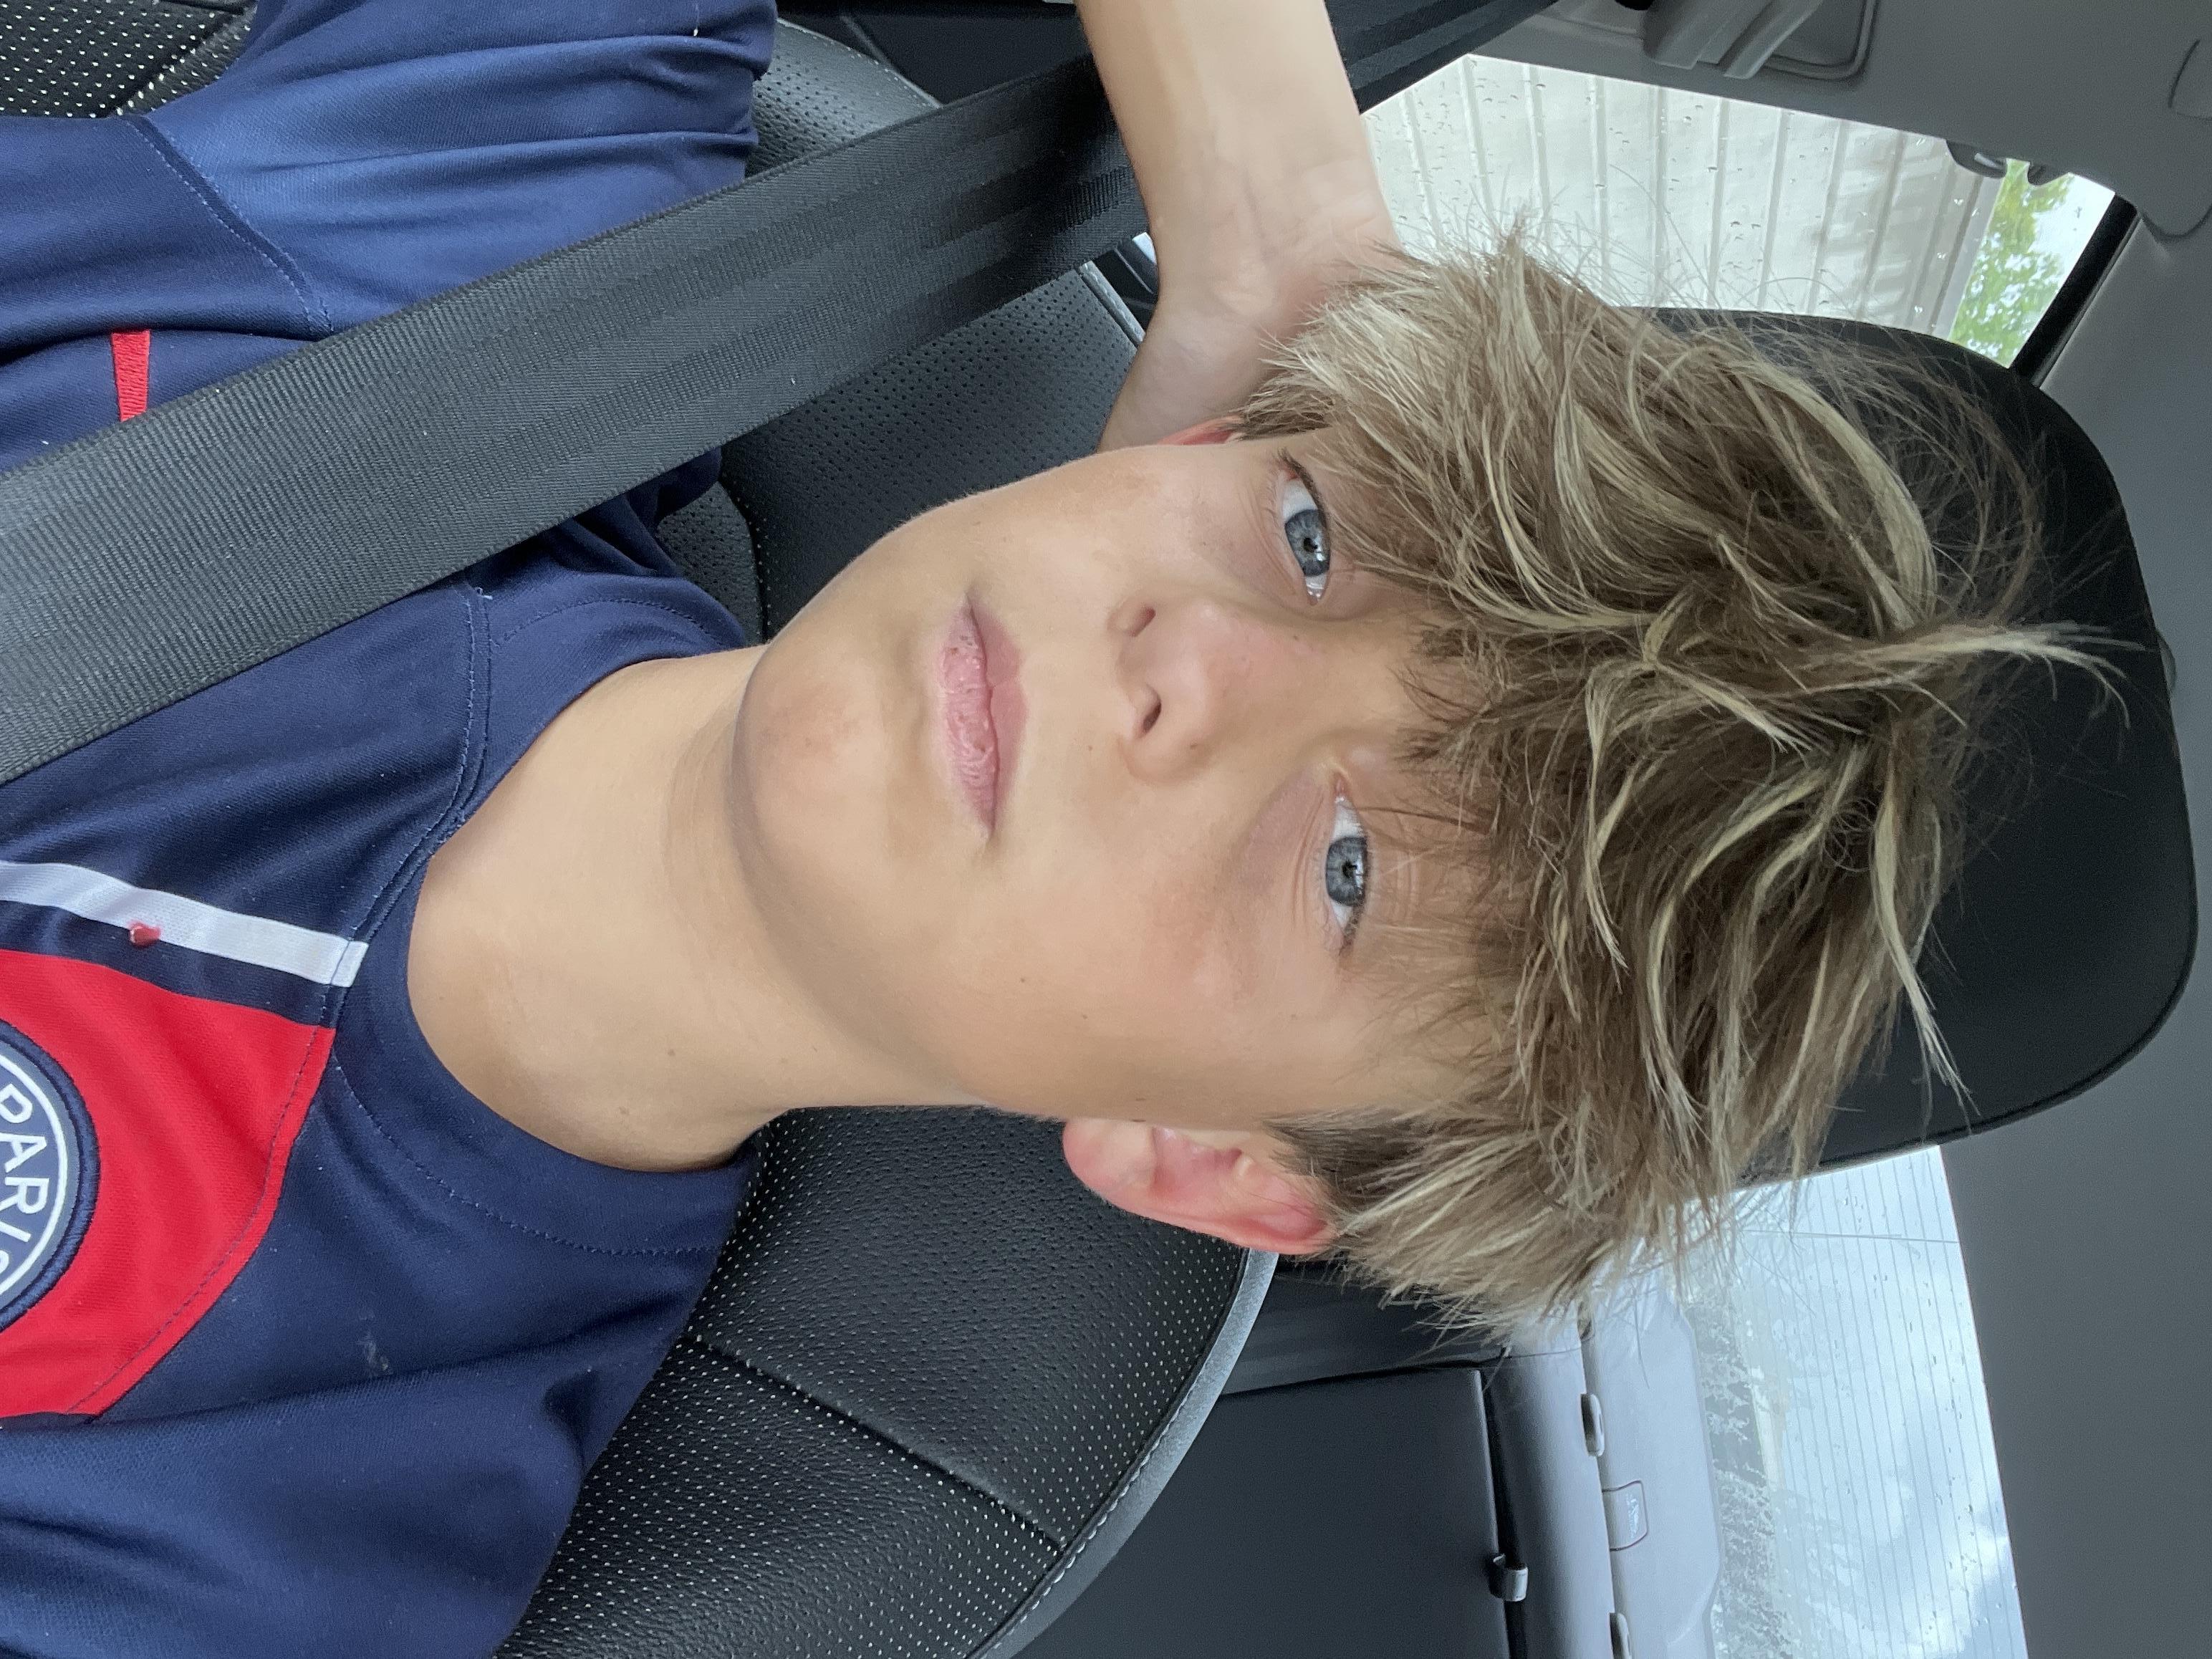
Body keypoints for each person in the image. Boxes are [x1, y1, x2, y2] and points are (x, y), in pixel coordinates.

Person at [0, 0, 2081, 1653]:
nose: (1196, 665)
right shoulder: (454, 239)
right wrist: (1284, 238)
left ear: (1215, 1158)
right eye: (1313, 536)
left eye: (1348, 867)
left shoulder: (275, 1520)